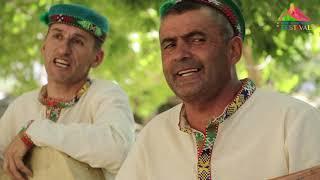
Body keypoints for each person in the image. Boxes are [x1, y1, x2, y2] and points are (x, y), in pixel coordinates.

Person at [115, 0, 320, 179]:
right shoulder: (153, 136)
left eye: (197, 40)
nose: (180, 54)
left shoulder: (294, 121)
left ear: (233, 50)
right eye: (170, 45)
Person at [0, 3, 135, 180]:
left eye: (78, 41)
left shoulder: (107, 94)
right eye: (57, 36)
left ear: (97, 58)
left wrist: (34, 132)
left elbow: (118, 150)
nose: (64, 50)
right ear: (44, 47)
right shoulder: (21, 105)